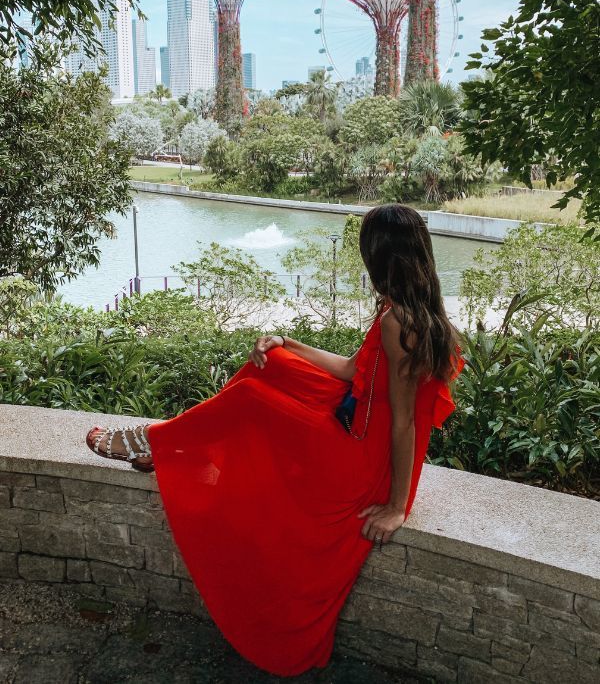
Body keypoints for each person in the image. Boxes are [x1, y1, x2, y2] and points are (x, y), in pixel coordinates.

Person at [86, 204, 465, 676]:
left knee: (250, 397)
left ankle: (155, 443)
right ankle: (168, 447)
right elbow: (353, 370)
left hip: (363, 457)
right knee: (272, 362)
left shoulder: (400, 323)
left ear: (381, 257)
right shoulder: (405, 311)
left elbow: (406, 422)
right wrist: (288, 343)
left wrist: (396, 506)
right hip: (361, 423)